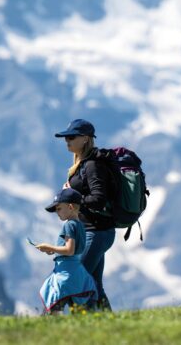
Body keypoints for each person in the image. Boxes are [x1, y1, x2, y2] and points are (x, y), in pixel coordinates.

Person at [55, 119, 116, 311]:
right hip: (91, 231)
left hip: (96, 233)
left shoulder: (92, 165)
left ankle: (70, 325)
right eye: (66, 137)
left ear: (85, 139)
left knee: (75, 279)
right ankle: (110, 326)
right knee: (94, 284)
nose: (67, 140)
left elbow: (98, 198)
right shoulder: (81, 165)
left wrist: (74, 199)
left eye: (71, 137)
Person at [37, 188, 97, 315]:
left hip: (65, 273)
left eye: (58, 208)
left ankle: (48, 327)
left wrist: (50, 247)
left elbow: (69, 250)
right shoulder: (80, 224)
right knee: (77, 306)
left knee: (53, 301)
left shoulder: (68, 225)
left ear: (70, 207)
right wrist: (55, 251)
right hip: (77, 271)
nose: (57, 212)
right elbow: (74, 250)